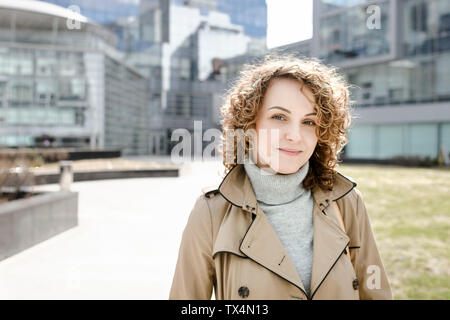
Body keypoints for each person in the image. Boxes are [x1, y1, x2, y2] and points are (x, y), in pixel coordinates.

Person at [169, 55, 393, 300]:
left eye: (309, 121)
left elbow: (376, 293)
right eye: (279, 117)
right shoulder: (211, 212)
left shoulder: (347, 202)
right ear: (250, 124)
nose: (295, 135)